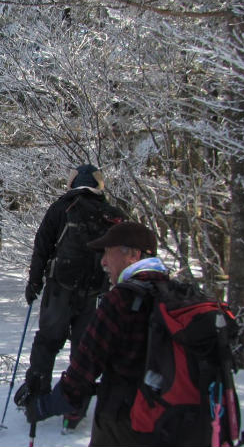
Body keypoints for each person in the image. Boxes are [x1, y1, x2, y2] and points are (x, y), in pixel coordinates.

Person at [24, 221, 170, 446]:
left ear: (132, 255)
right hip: (173, 424)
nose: (102, 262)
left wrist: (44, 406)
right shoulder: (178, 297)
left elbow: (83, 370)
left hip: (124, 424)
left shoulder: (120, 301)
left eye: (108, 253)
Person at [21, 164, 125, 430]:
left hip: (60, 289)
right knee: (85, 350)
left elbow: (42, 246)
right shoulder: (113, 215)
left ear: (73, 183)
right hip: (95, 293)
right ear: (99, 185)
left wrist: (34, 283)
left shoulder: (61, 208)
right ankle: (76, 407)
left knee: (47, 342)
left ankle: (37, 392)